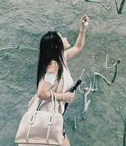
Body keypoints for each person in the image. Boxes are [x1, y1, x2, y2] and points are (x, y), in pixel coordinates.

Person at [30, 15, 89, 146]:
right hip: (48, 118)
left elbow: (78, 47)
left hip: (53, 118)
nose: (65, 38)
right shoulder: (53, 66)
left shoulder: (61, 60)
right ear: (57, 45)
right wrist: (64, 96)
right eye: (61, 37)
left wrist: (83, 29)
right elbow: (41, 92)